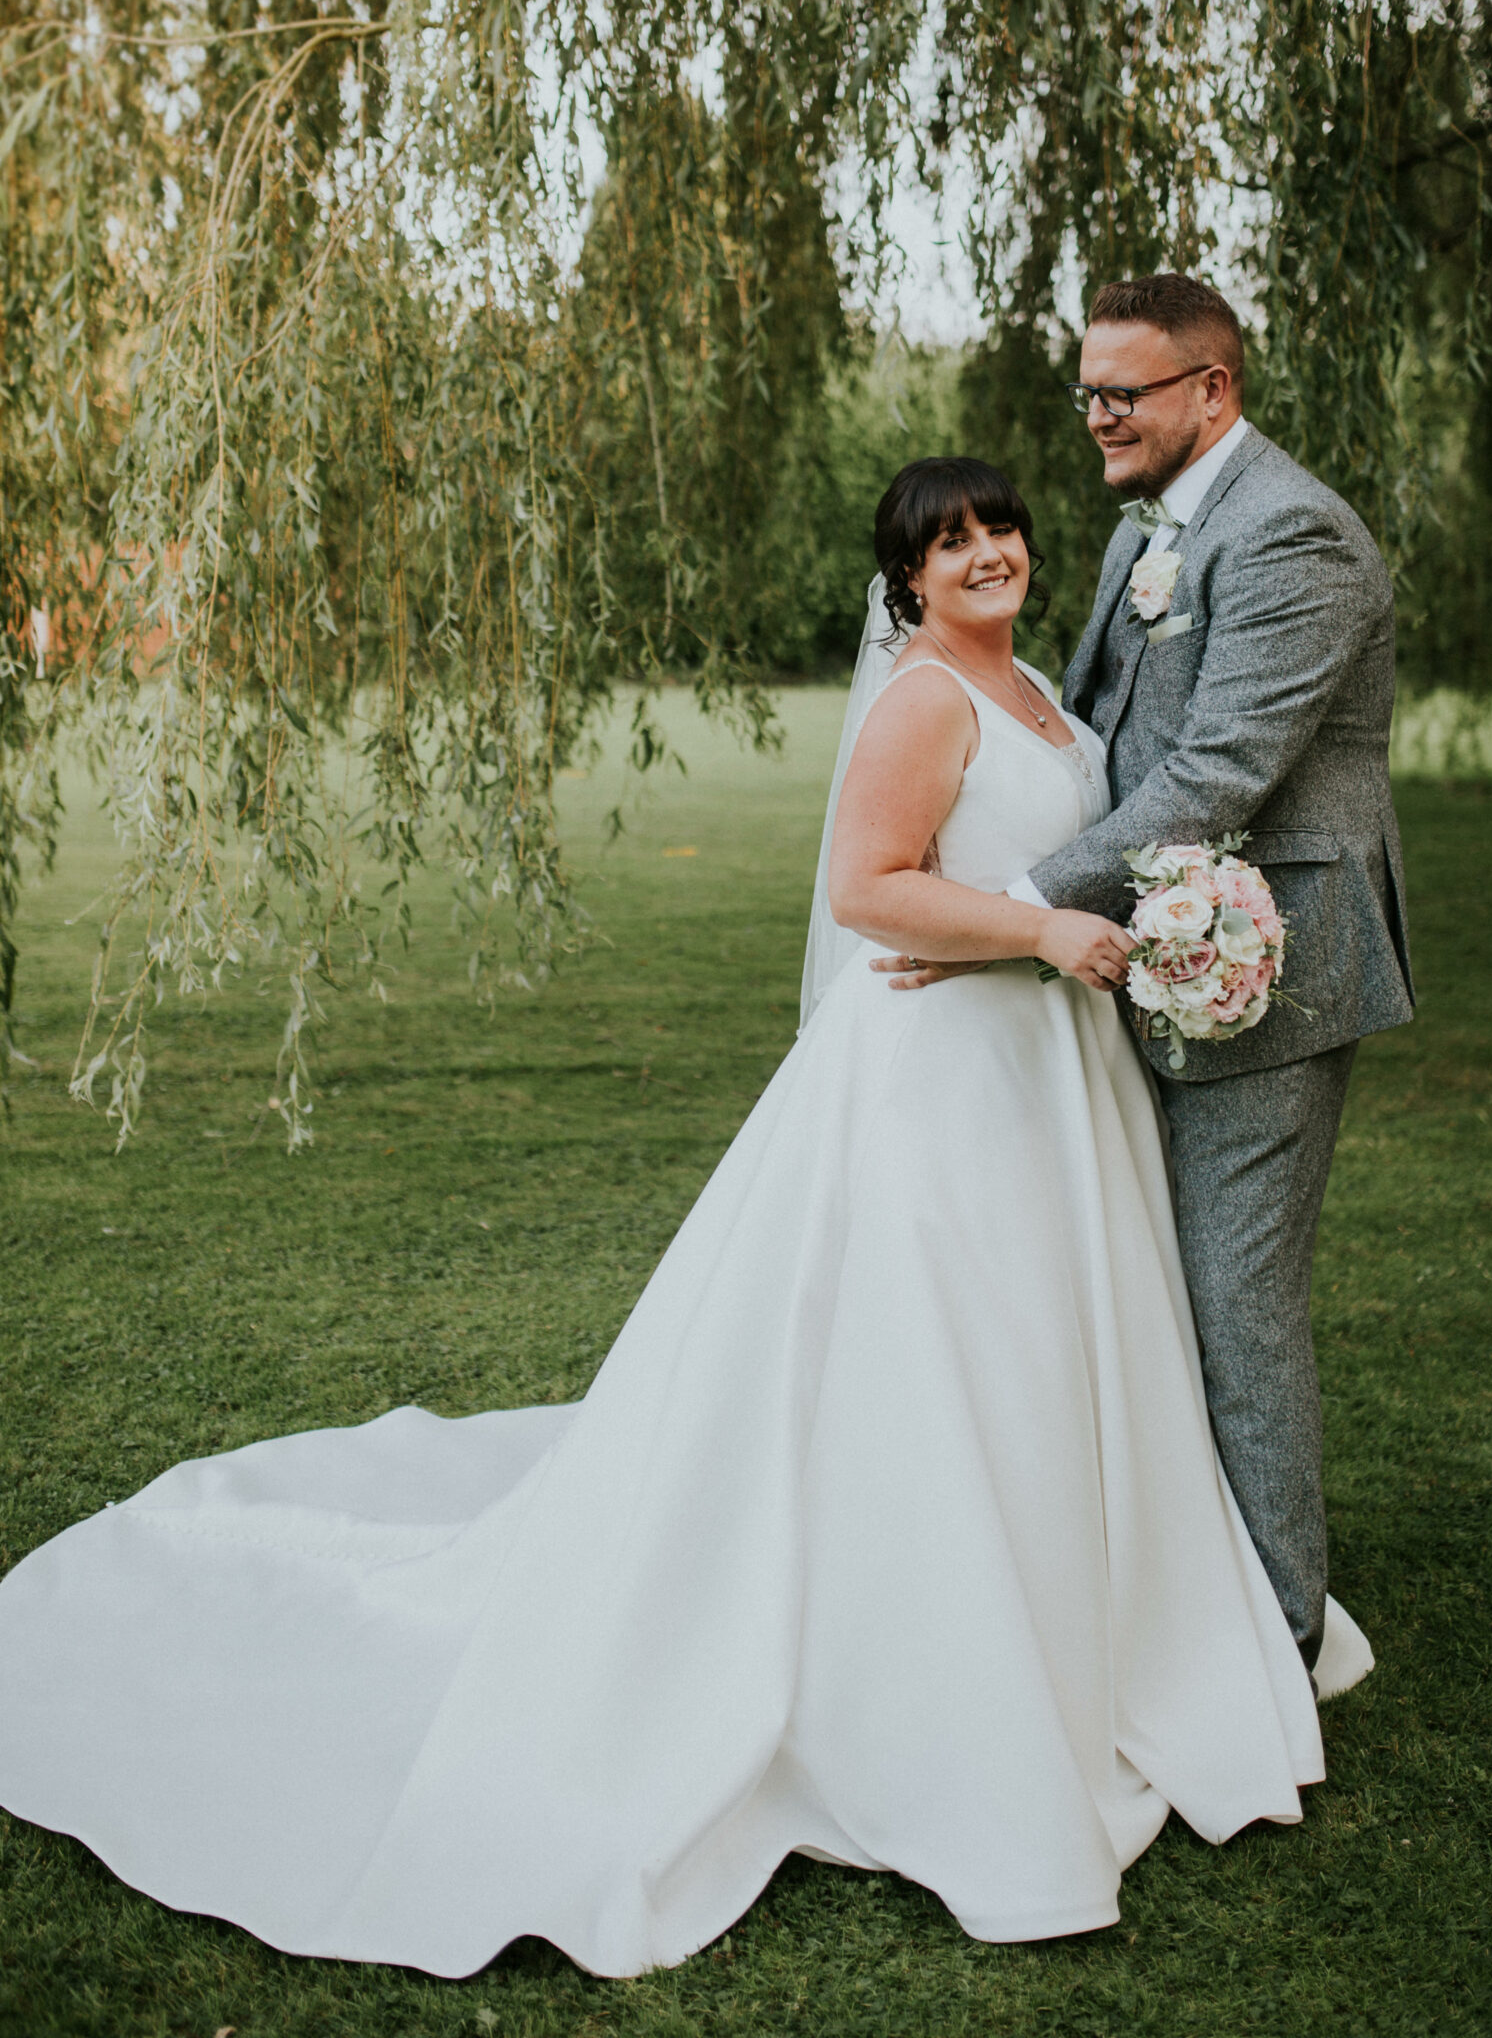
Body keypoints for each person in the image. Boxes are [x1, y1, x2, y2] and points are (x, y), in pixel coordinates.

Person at [0, 456, 1367, 1985]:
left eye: (997, 529)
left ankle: (1078, 1626)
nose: (984, 554)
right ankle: (926, 1668)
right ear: (905, 580)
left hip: (1052, 1077)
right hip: (949, 1083)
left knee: (1052, 1360)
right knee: (944, 1362)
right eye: (948, 543)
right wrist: (1044, 929)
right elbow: (869, 892)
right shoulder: (927, 698)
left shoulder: (1036, 685)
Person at [884, 277, 1414, 1674]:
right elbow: (1087, 725)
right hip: (1142, 944)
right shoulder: (1143, 533)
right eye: (1089, 392)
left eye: (1125, 391)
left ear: (1211, 391)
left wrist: (1013, 905)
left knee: (1235, 1295)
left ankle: (1277, 1635)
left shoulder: (1292, 536)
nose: (1099, 416)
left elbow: (1222, 770)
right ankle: (1169, 1586)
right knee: (1145, 1276)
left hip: (1270, 959)